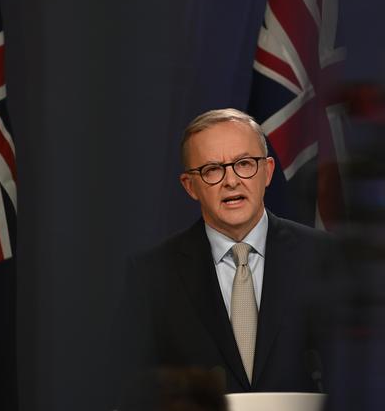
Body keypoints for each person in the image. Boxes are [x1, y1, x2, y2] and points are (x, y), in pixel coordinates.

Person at [116, 108, 344, 406]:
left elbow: (355, 377)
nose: (231, 181)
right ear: (190, 186)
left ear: (268, 171)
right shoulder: (153, 274)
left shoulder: (325, 257)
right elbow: (130, 393)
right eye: (212, 170)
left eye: (245, 164)